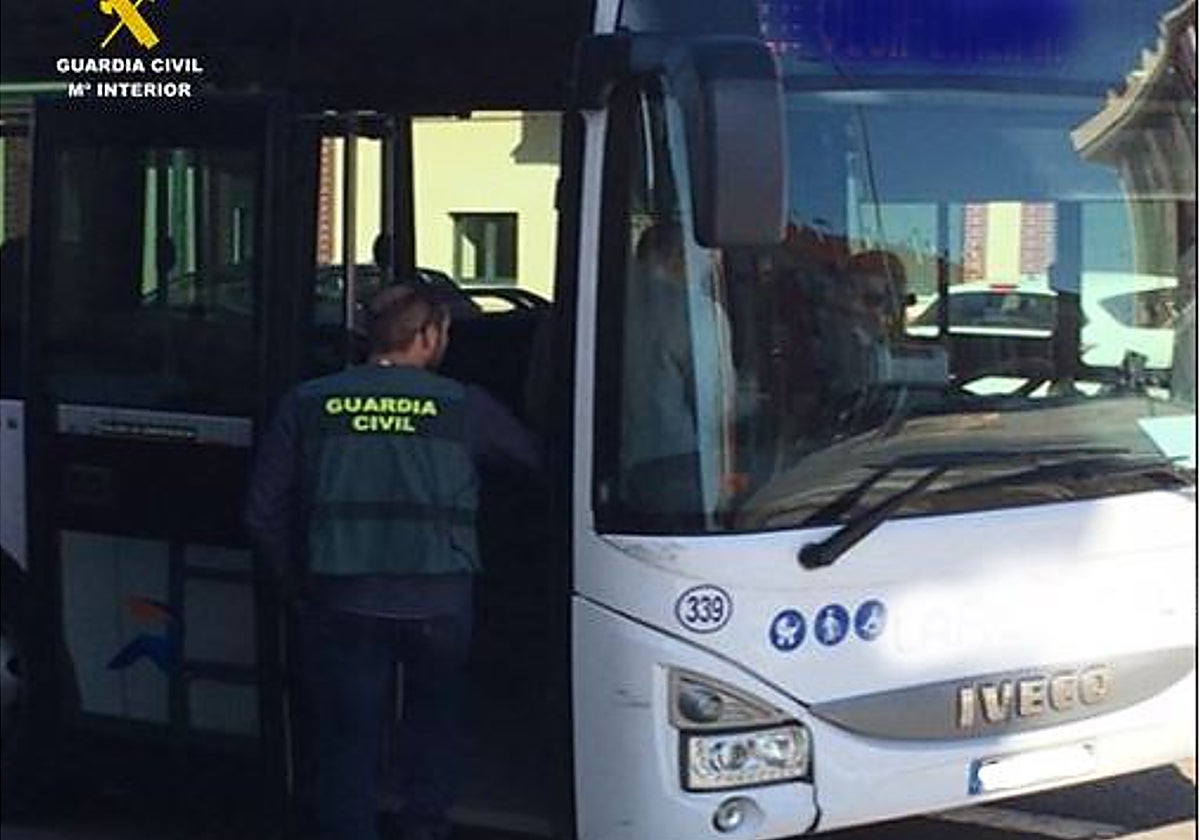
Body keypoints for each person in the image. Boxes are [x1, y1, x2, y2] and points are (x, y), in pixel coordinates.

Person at [245, 281, 540, 840]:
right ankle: (423, 827)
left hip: (342, 598)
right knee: (435, 727)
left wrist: (296, 583)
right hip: (441, 605)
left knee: (347, 740)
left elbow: (262, 512)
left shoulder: (307, 402)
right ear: (426, 336)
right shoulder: (465, 406)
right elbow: (536, 464)